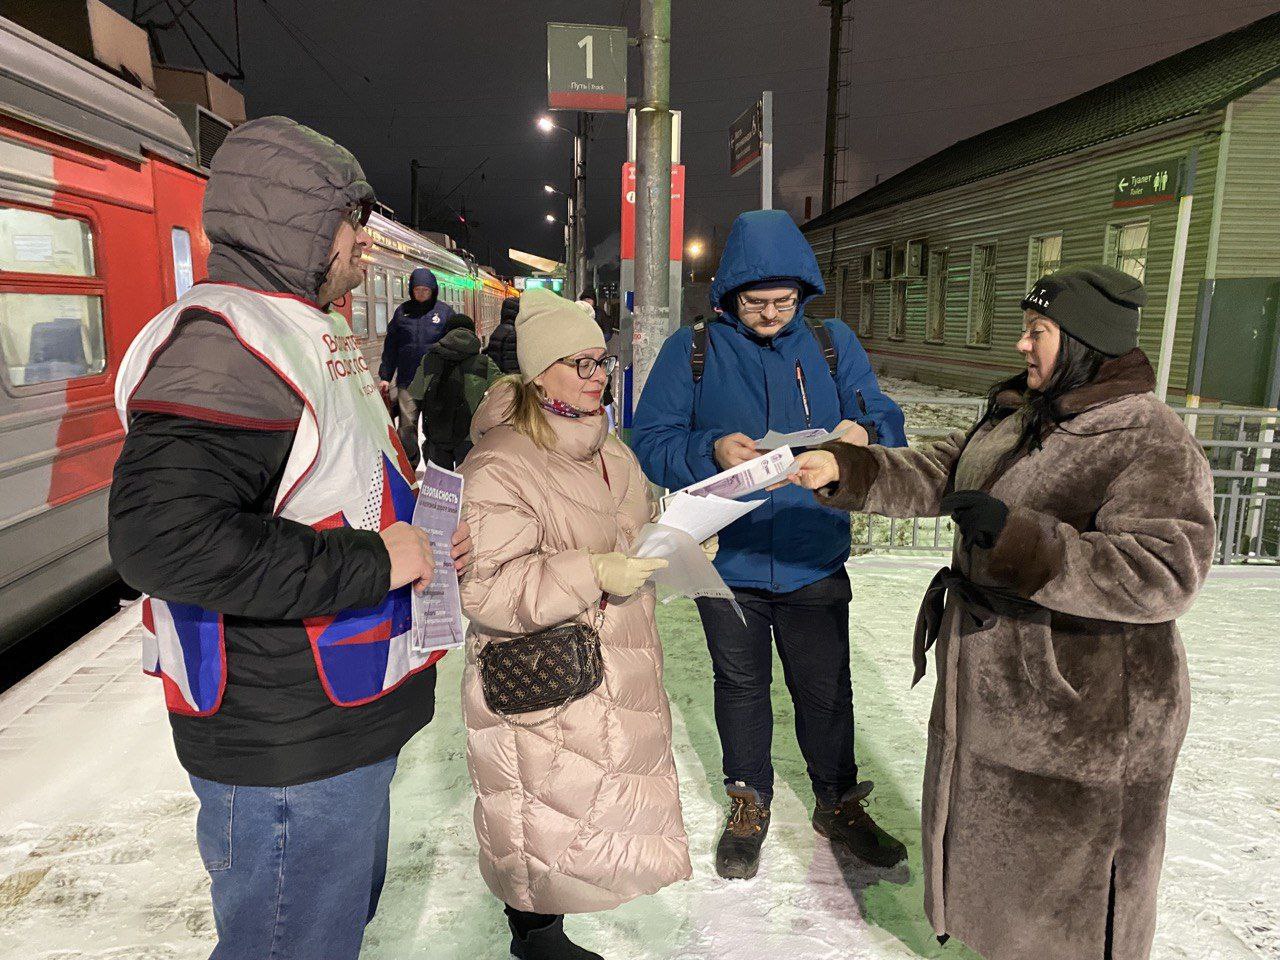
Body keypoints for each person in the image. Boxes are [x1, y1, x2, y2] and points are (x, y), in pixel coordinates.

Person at [108, 116, 473, 960]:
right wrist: (377, 559)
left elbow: (326, 488)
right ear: (302, 222)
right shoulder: (229, 347)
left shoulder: (298, 326)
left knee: (324, 930)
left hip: (327, 720)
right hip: (282, 745)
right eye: (355, 223)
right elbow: (162, 541)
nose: (365, 248)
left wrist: (416, 535)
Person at [786, 266, 1215, 960]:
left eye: (1037, 331)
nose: (1021, 344)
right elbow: (944, 473)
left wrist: (1020, 542)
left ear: (1081, 342)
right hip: (1000, 699)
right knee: (1001, 886)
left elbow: (1166, 573)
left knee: (1066, 910)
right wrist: (849, 471)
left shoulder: (1148, 437)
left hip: (1085, 720)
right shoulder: (1025, 412)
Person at [632, 208, 909, 880]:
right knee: (741, 686)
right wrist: (711, 449)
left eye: (784, 301)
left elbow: (887, 419)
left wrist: (863, 434)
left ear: (803, 294)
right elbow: (650, 441)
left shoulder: (834, 344)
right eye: (756, 301)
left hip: (815, 551)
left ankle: (838, 803)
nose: (769, 313)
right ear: (729, 294)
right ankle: (748, 800)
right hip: (725, 558)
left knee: (825, 690)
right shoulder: (692, 350)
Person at [459, 287, 693, 960]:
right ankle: (535, 941)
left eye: (600, 362)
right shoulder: (500, 462)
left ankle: (546, 934)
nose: (596, 376)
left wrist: (673, 541)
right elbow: (488, 587)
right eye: (578, 363)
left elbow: (631, 530)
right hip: (544, 677)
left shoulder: (609, 450)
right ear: (537, 373)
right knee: (539, 818)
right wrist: (594, 571)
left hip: (610, 661)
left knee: (592, 816)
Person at [379, 266, 456, 469]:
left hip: (434, 381)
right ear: (411, 290)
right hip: (408, 381)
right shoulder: (402, 313)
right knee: (406, 427)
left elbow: (454, 344)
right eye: (417, 289)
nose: (421, 293)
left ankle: (435, 467)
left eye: (425, 290)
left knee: (434, 429)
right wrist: (385, 375)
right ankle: (409, 466)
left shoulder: (444, 313)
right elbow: (391, 347)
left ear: (433, 290)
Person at [406, 312, 502, 469]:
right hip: (469, 436)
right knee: (468, 485)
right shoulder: (484, 363)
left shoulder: (429, 359)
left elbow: (415, 393)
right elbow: (503, 393)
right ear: (472, 332)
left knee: (440, 488)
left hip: (436, 435)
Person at [484, 294, 521, 375]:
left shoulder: (499, 329)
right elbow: (511, 364)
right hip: (507, 378)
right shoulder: (512, 334)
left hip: (497, 375)